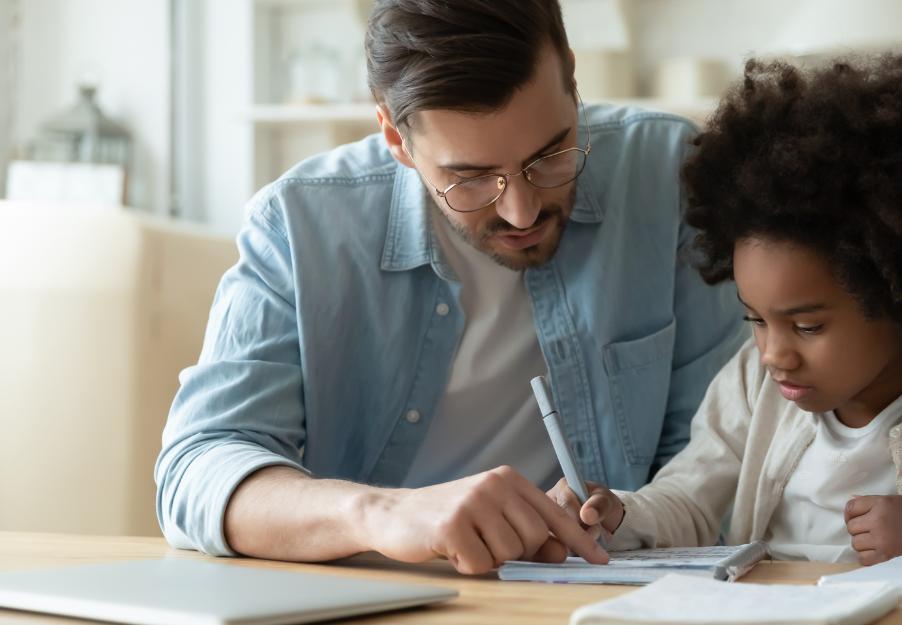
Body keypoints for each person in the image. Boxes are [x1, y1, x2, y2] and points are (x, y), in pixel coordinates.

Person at [155, 0, 745, 574]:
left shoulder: (668, 176)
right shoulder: (299, 227)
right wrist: (383, 513)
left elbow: (719, 457)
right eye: (471, 178)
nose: (521, 211)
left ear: (569, 73)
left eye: (551, 155)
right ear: (395, 136)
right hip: (387, 603)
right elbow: (196, 470)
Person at [547, 52, 902, 565]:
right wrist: (621, 514)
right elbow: (689, 500)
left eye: (808, 325)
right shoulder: (752, 387)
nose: (774, 354)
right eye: (756, 320)